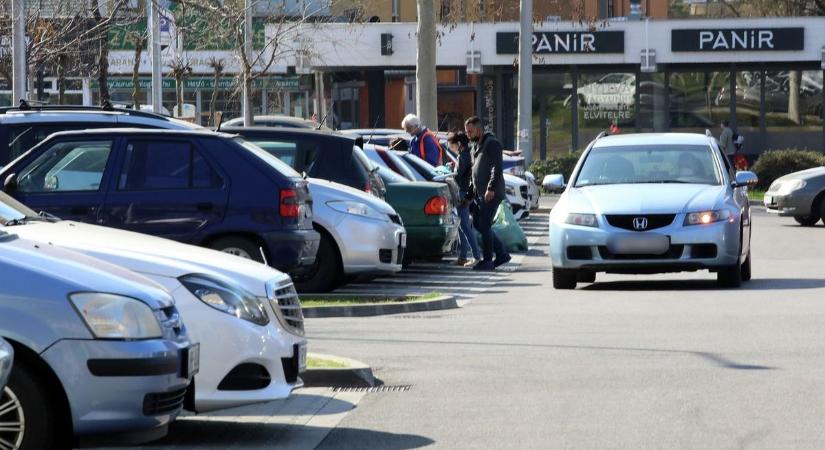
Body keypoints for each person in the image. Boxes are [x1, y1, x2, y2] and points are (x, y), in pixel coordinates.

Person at [464, 116, 511, 271]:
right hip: (480, 193)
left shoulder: (492, 144)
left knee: (484, 224)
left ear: (479, 129)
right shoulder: (475, 146)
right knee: (478, 223)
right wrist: (469, 196)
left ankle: (488, 261)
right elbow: (474, 173)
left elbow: (497, 168)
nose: (468, 134)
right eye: (467, 132)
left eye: (470, 131)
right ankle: (502, 254)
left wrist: (491, 188)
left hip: (492, 192)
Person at [447, 131, 481, 267]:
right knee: (462, 226)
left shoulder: (464, 156)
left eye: (452, 144)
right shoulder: (466, 154)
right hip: (463, 191)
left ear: (459, 144)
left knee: (465, 226)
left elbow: (459, 174)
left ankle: (476, 256)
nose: (451, 147)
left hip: (462, 192)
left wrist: (450, 172)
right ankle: (462, 256)